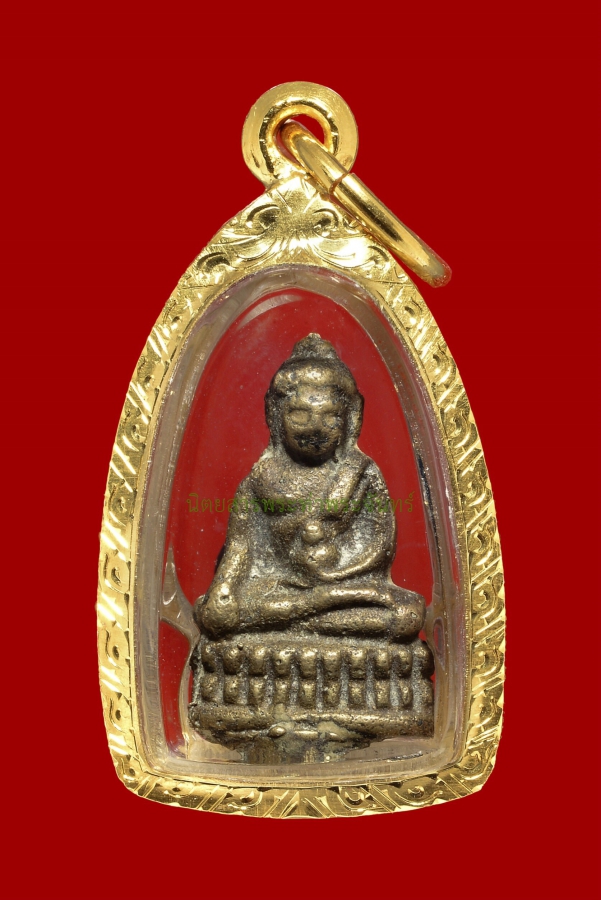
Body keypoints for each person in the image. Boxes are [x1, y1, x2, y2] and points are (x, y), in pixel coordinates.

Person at [195, 334, 425, 644]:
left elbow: (379, 549)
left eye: (330, 416)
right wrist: (223, 588)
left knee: (406, 615)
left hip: (347, 589)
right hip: (278, 587)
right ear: (276, 415)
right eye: (300, 414)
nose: (315, 427)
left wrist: (333, 573)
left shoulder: (360, 474)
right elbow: (240, 545)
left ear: (350, 419)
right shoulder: (260, 478)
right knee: (218, 613)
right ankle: (312, 613)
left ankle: (306, 614)